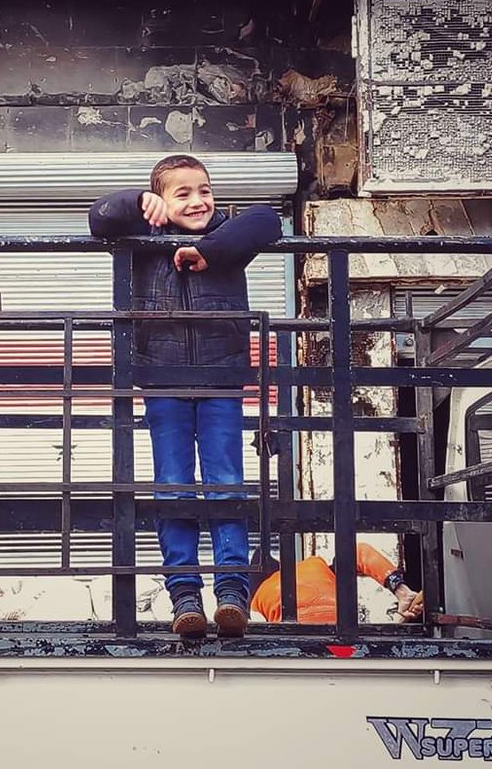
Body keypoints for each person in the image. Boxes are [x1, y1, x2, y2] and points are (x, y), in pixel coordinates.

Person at [89, 154, 282, 639]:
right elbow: (99, 216)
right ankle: (185, 595)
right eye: (183, 193)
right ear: (159, 199)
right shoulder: (141, 236)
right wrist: (138, 202)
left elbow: (268, 220)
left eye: (205, 191)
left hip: (221, 378)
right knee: (173, 483)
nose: (198, 201)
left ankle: (233, 592)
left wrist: (209, 251)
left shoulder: (228, 237)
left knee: (226, 481)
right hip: (163, 379)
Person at [249, 542, 425, 624]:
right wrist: (401, 593)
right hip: (340, 630)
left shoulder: (257, 596)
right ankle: (404, 594)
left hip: (291, 640)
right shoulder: (321, 569)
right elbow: (359, 551)